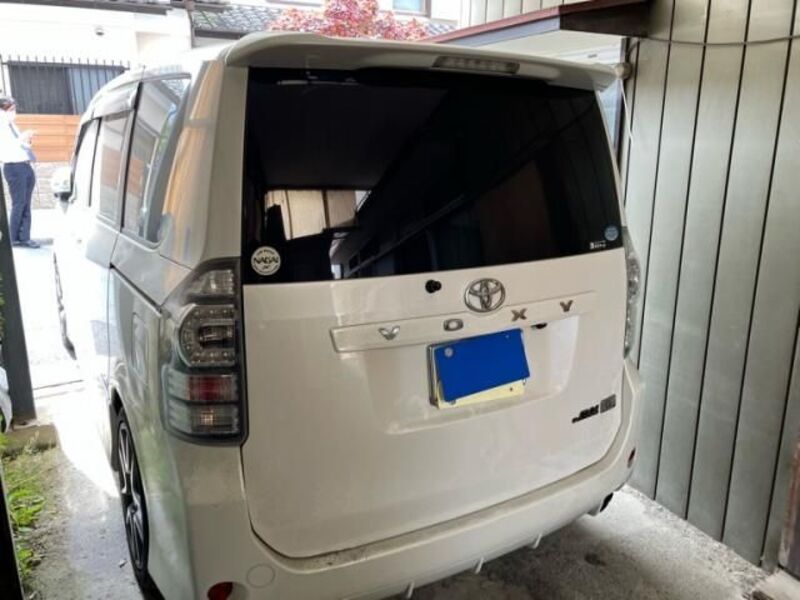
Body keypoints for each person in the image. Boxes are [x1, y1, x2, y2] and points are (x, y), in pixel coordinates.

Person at [0, 94, 39, 248]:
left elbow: (20, 146)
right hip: (14, 167)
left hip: (24, 165)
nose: (13, 112)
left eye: (14, 109)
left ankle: (24, 237)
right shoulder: (2, 127)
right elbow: (7, 149)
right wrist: (22, 138)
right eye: (10, 109)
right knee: (19, 203)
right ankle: (13, 237)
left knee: (25, 203)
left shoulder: (12, 126)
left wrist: (28, 140)